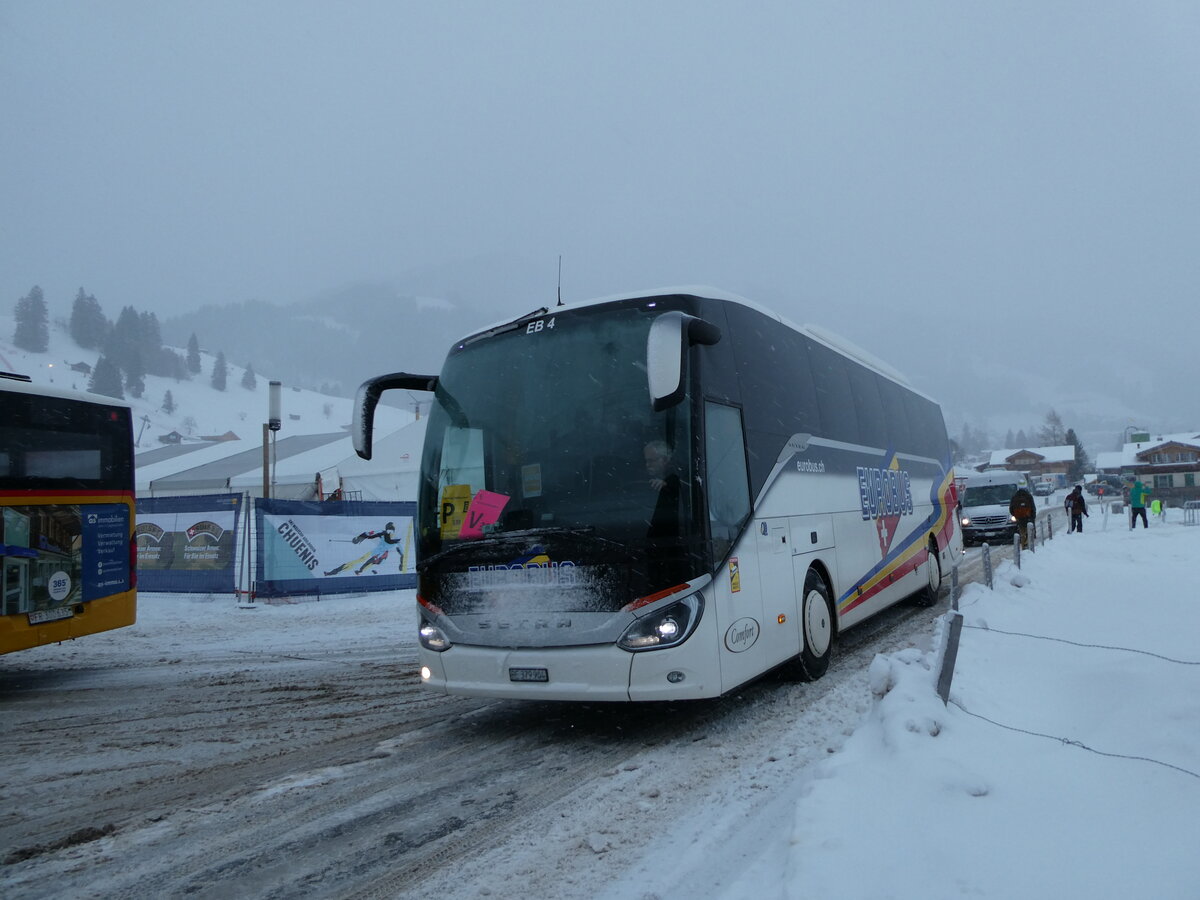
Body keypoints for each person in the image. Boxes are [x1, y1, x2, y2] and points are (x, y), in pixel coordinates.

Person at [324, 522, 402, 576]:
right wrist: (402, 564)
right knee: (364, 564)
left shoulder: (384, 533)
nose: (390, 533)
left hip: (378, 555)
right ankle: (358, 572)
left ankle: (336, 572)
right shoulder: (395, 538)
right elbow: (402, 552)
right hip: (380, 556)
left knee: (358, 563)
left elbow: (368, 534)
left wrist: (358, 538)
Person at [643, 440, 681, 538]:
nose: (647, 464)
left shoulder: (677, 477)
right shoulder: (643, 476)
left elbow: (682, 490)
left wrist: (667, 486)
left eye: (651, 460)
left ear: (665, 460)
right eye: (646, 461)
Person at [1009, 484, 1036, 549]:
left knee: (1022, 531)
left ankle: (1023, 545)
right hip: (1028, 517)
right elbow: (1033, 507)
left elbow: (1011, 508)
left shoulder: (1015, 496)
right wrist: (1032, 517)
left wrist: (1015, 515)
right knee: (1028, 531)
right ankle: (1028, 544)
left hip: (1019, 518)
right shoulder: (1028, 496)